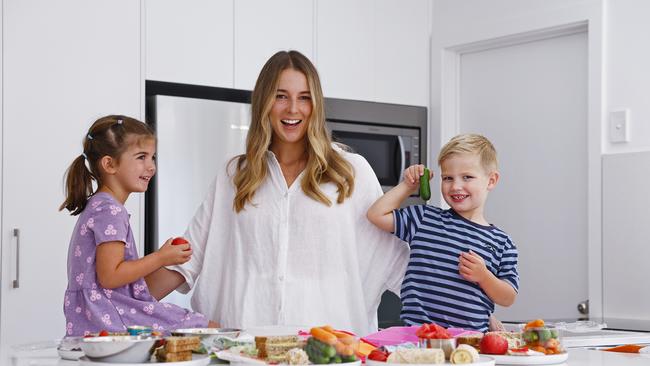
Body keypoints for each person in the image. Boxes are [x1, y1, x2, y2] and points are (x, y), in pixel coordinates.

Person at [144, 50, 410, 336]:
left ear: (316, 105)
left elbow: (395, 262)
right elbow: (186, 259)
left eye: (304, 97)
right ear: (264, 103)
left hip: (328, 353)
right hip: (244, 350)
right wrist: (111, 304)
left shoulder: (351, 173)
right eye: (281, 96)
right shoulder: (234, 175)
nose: (293, 108)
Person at [59, 115, 217, 336]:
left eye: (153, 157)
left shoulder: (100, 205)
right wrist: (161, 257)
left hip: (98, 315)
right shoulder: (110, 210)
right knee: (209, 330)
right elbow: (110, 276)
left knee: (203, 328)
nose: (151, 167)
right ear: (109, 164)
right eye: (141, 157)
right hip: (111, 314)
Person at [367, 134, 519, 332]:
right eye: (448, 178)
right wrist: (407, 186)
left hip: (470, 344)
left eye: (467, 177)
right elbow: (376, 215)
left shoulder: (502, 242)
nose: (455, 186)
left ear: (491, 180)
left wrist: (484, 277)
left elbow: (508, 297)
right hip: (418, 337)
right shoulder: (425, 218)